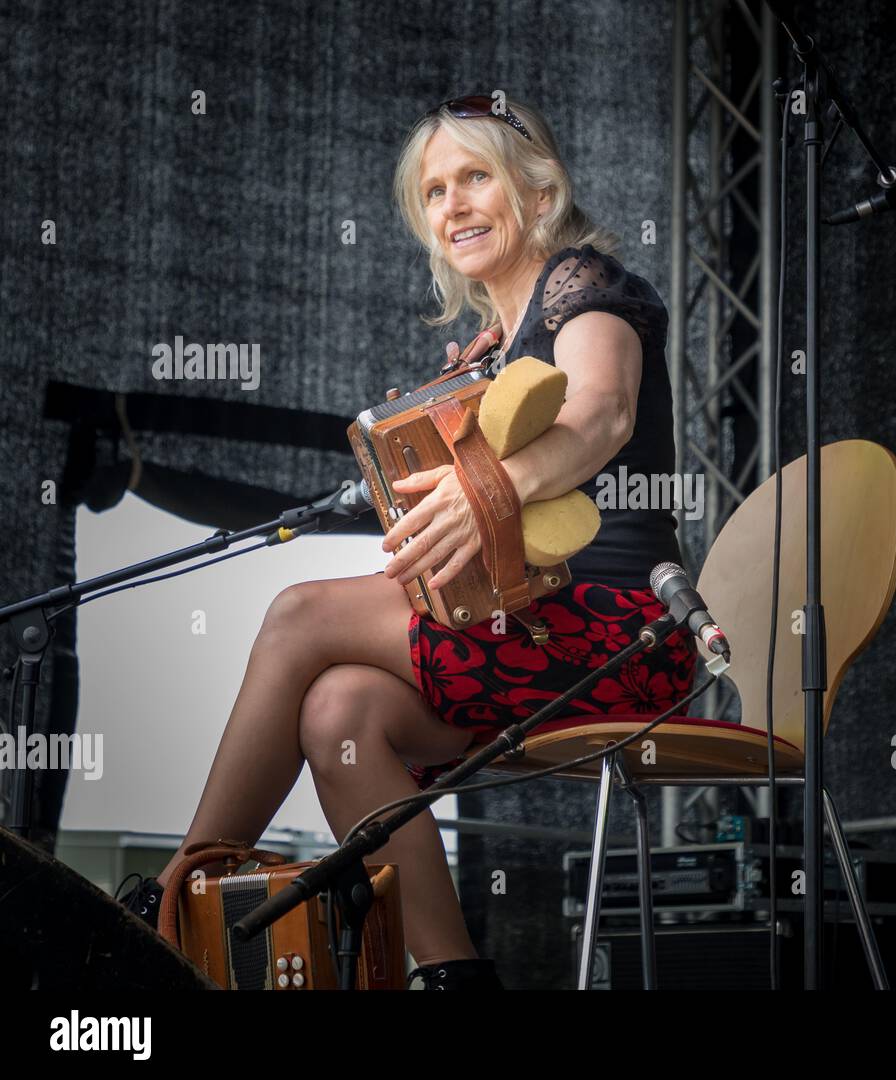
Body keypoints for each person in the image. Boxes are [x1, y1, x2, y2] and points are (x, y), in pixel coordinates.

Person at [117, 94, 697, 990]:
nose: (454, 204)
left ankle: (174, 906)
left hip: (623, 634)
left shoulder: (589, 287)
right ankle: (455, 977)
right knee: (339, 712)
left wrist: (488, 488)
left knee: (300, 614)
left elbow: (604, 410)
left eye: (476, 177)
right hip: (528, 632)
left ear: (538, 195)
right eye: (435, 191)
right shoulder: (486, 350)